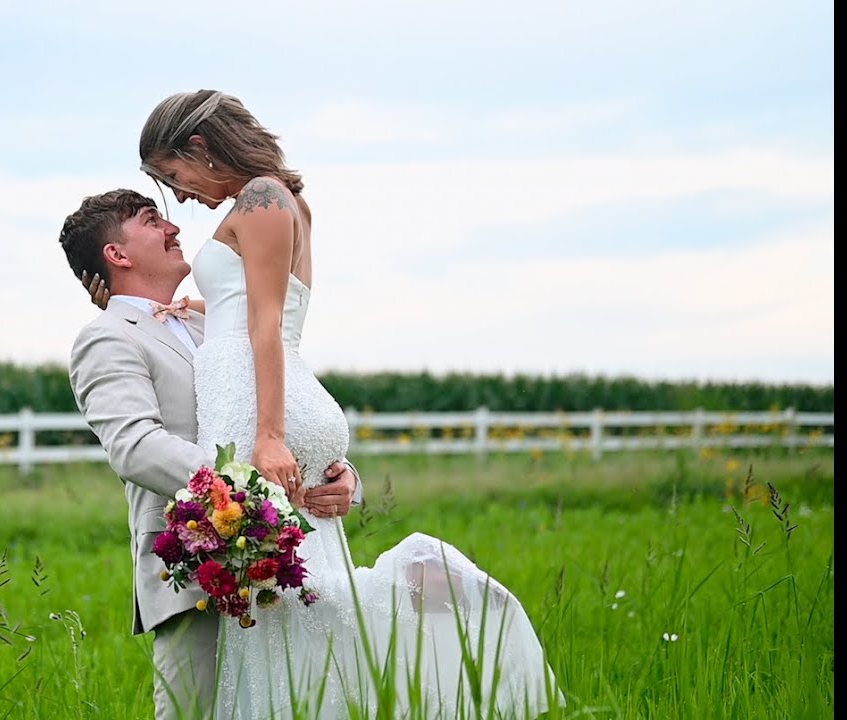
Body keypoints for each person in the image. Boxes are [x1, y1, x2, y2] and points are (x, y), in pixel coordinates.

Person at [129, 89, 563, 719]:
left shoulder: (262, 197)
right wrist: (200, 306)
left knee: (281, 608)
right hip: (257, 393)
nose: (182, 195)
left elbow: (269, 323)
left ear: (200, 145)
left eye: (174, 176)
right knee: (290, 599)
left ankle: (441, 604)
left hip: (259, 405)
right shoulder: (279, 199)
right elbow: (260, 305)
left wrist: (270, 434)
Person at [59, 189, 364, 720]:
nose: (174, 227)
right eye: (152, 220)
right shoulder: (105, 338)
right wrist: (256, 492)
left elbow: (283, 412)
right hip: (198, 566)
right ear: (117, 254)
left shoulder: (218, 322)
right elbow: (136, 446)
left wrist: (340, 478)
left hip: (286, 564)